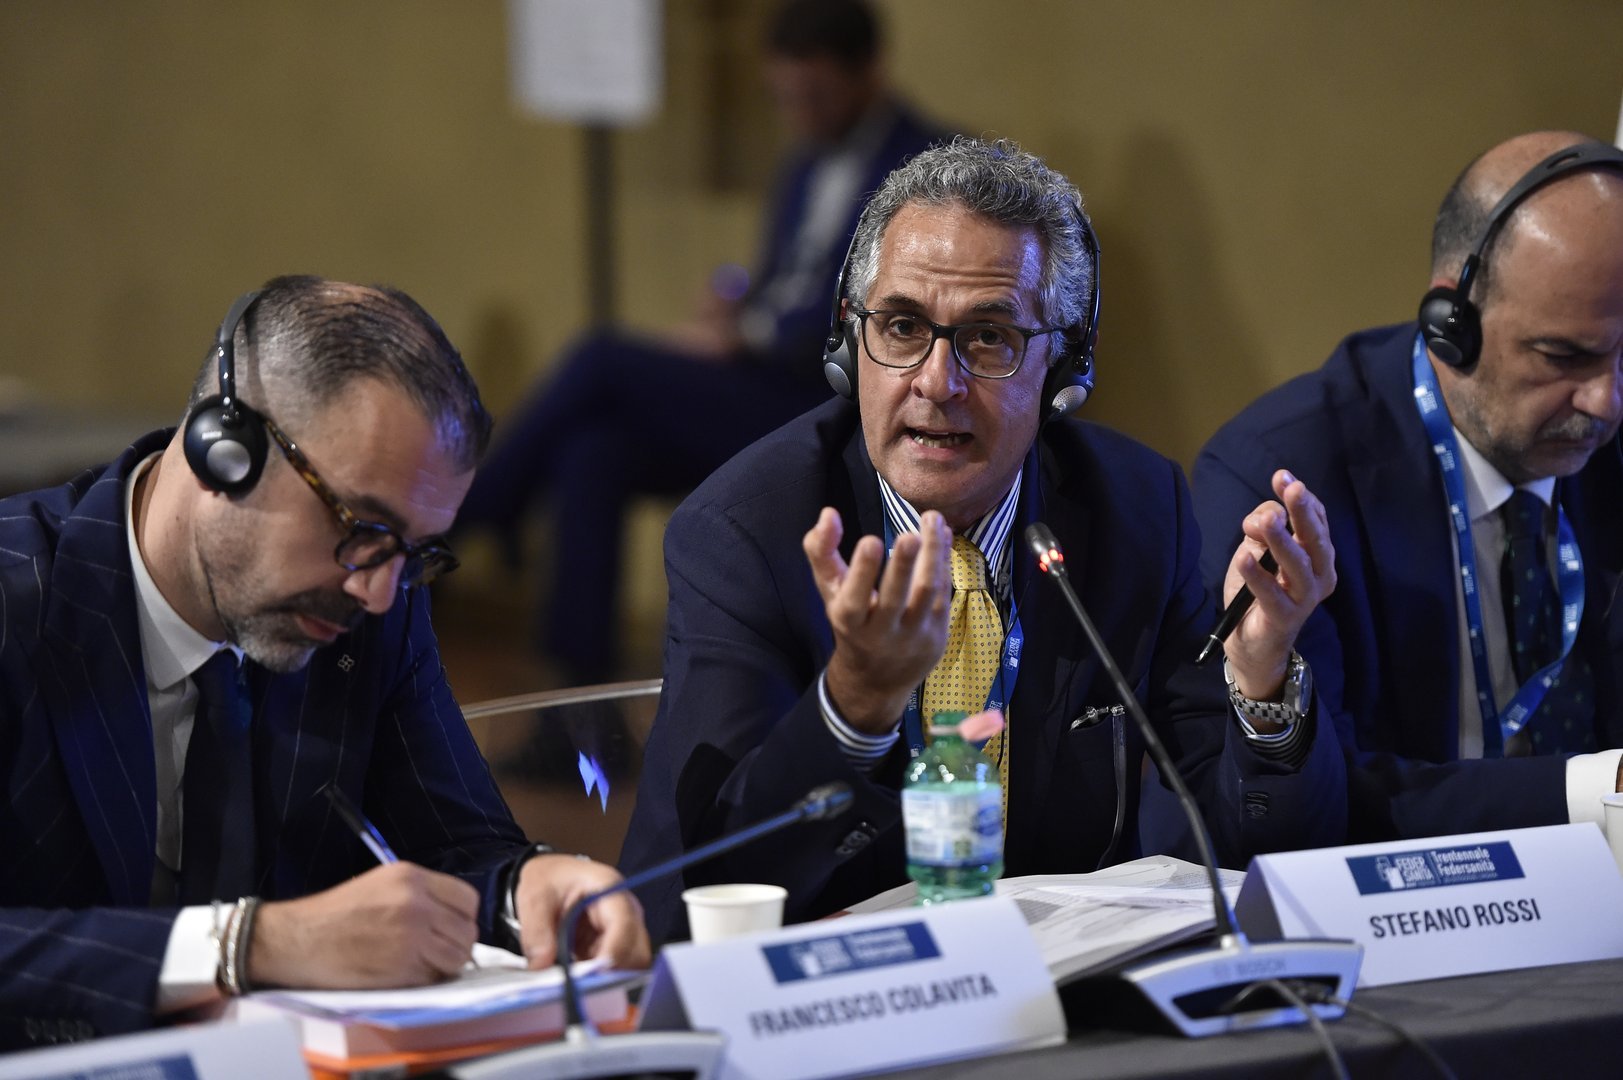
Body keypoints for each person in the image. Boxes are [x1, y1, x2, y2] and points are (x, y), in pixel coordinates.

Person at [620, 137, 1348, 945]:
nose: (938, 382)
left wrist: (1259, 678)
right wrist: (854, 705)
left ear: (1062, 369)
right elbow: (712, 882)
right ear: (848, 344)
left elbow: (1263, 855)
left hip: (1059, 996)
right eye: (902, 327)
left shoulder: (1134, 510)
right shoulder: (745, 534)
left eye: (989, 338)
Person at [0, 277, 649, 1050]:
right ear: (223, 451)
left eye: (414, 552)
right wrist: (248, 945)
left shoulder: (370, 605)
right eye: (361, 527)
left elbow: (455, 848)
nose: (378, 592)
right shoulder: (16, 600)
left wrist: (526, 890)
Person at [455, 0, 946, 685]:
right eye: (785, 97)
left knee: (602, 359)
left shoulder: (925, 165)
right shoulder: (805, 162)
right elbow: (789, 284)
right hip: (762, 382)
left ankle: (476, 511)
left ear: (869, 72)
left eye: (814, 95)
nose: (798, 113)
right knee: (593, 452)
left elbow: (877, 316)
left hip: (830, 399)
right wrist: (736, 311)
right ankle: (577, 694)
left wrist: (745, 333)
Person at [1193, 132, 1623, 842]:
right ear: (1451, 326)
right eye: (1563, 355)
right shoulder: (1285, 480)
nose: (1605, 402)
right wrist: (1599, 789)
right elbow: (1320, 807)